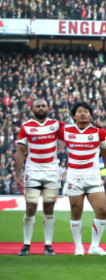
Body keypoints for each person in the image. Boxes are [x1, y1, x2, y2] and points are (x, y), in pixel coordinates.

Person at [59, 101, 106, 256]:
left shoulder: (98, 131)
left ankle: (94, 246)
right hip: (74, 177)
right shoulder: (65, 130)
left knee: (102, 210)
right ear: (74, 116)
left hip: (93, 177)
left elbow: (105, 149)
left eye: (86, 111)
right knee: (76, 211)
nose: (83, 114)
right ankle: (79, 247)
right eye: (80, 111)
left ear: (91, 115)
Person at [14, 99, 62, 256]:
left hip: (52, 171)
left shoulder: (56, 124)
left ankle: (48, 245)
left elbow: (75, 130)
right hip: (33, 171)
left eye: (43, 106)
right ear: (32, 109)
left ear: (48, 108)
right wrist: (18, 173)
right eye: (38, 106)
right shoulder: (26, 126)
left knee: (49, 208)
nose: (41, 108)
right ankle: (26, 244)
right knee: (31, 207)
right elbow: (21, 151)